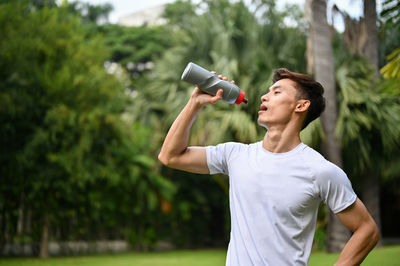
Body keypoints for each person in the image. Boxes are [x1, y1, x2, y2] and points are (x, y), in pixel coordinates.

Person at [158, 68, 379, 265]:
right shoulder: (235, 155)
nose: (264, 96)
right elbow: (170, 156)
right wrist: (194, 103)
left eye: (276, 92)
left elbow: (367, 230)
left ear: (301, 106)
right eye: (268, 91)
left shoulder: (320, 171)